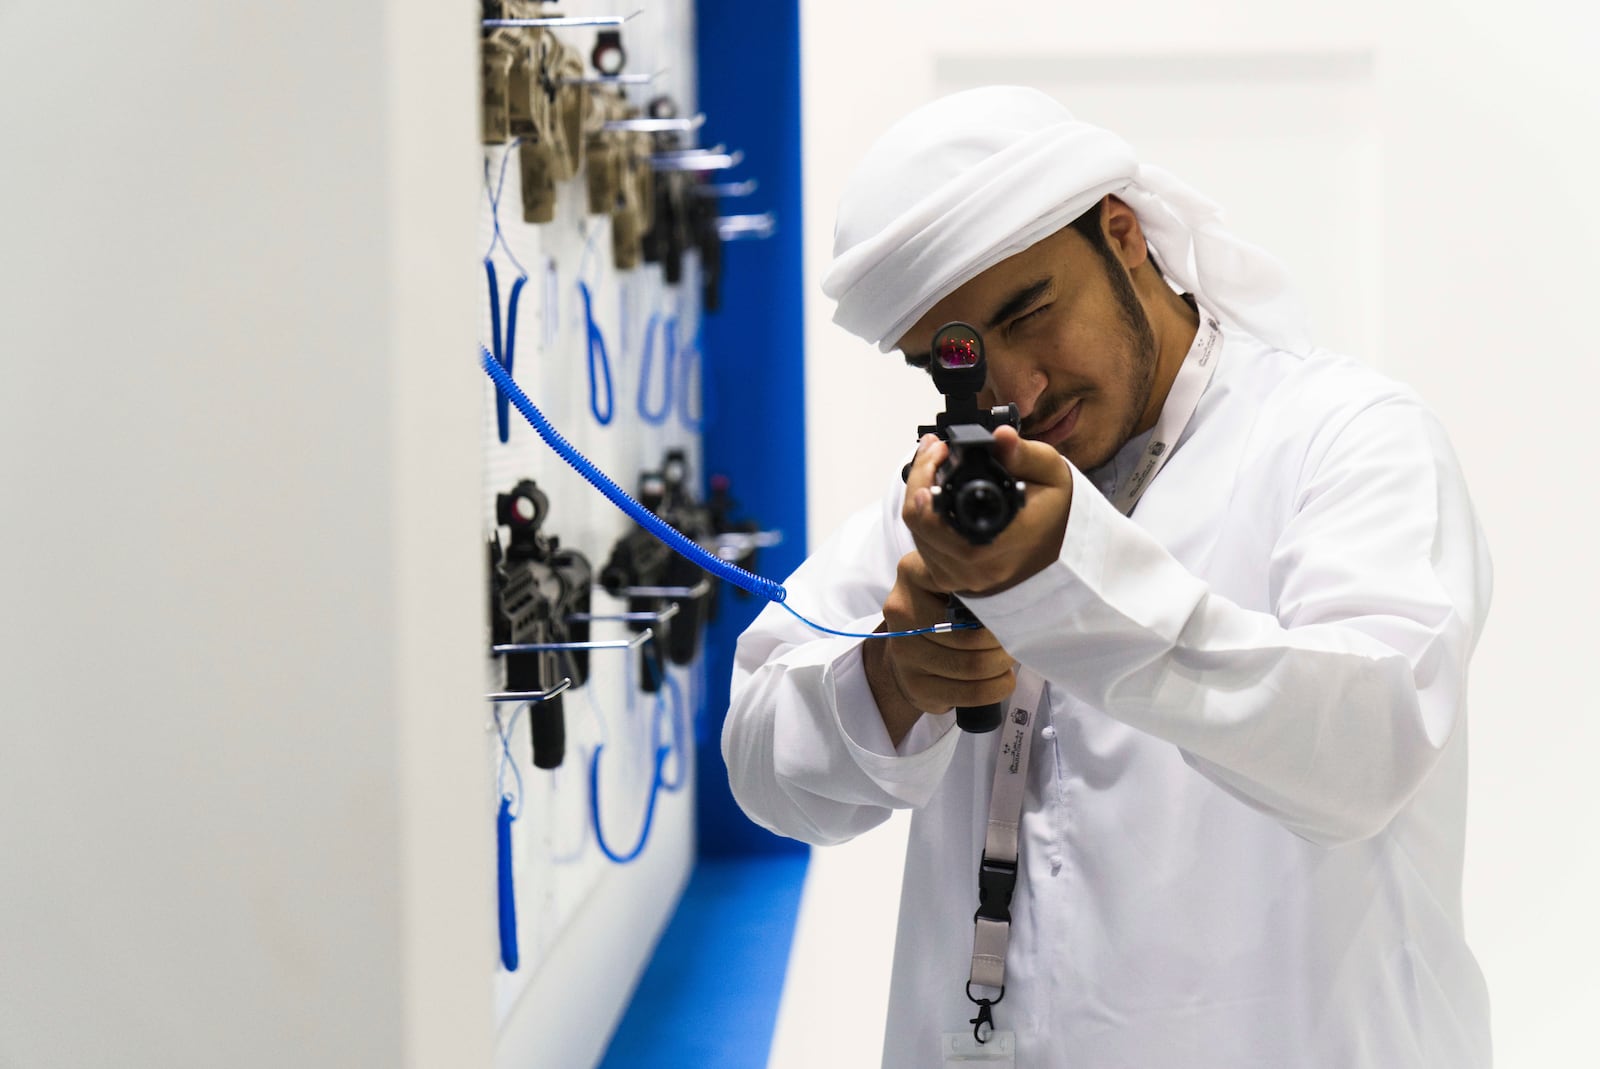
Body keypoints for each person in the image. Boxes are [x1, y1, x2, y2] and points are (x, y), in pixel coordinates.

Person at [721, 86, 1492, 1067]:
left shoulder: (1344, 439)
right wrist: (889, 681)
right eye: (954, 364)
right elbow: (760, 767)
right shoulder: (952, 498)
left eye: (1031, 311)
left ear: (1121, 234)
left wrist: (1067, 586)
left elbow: (1368, 747)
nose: (1015, 391)